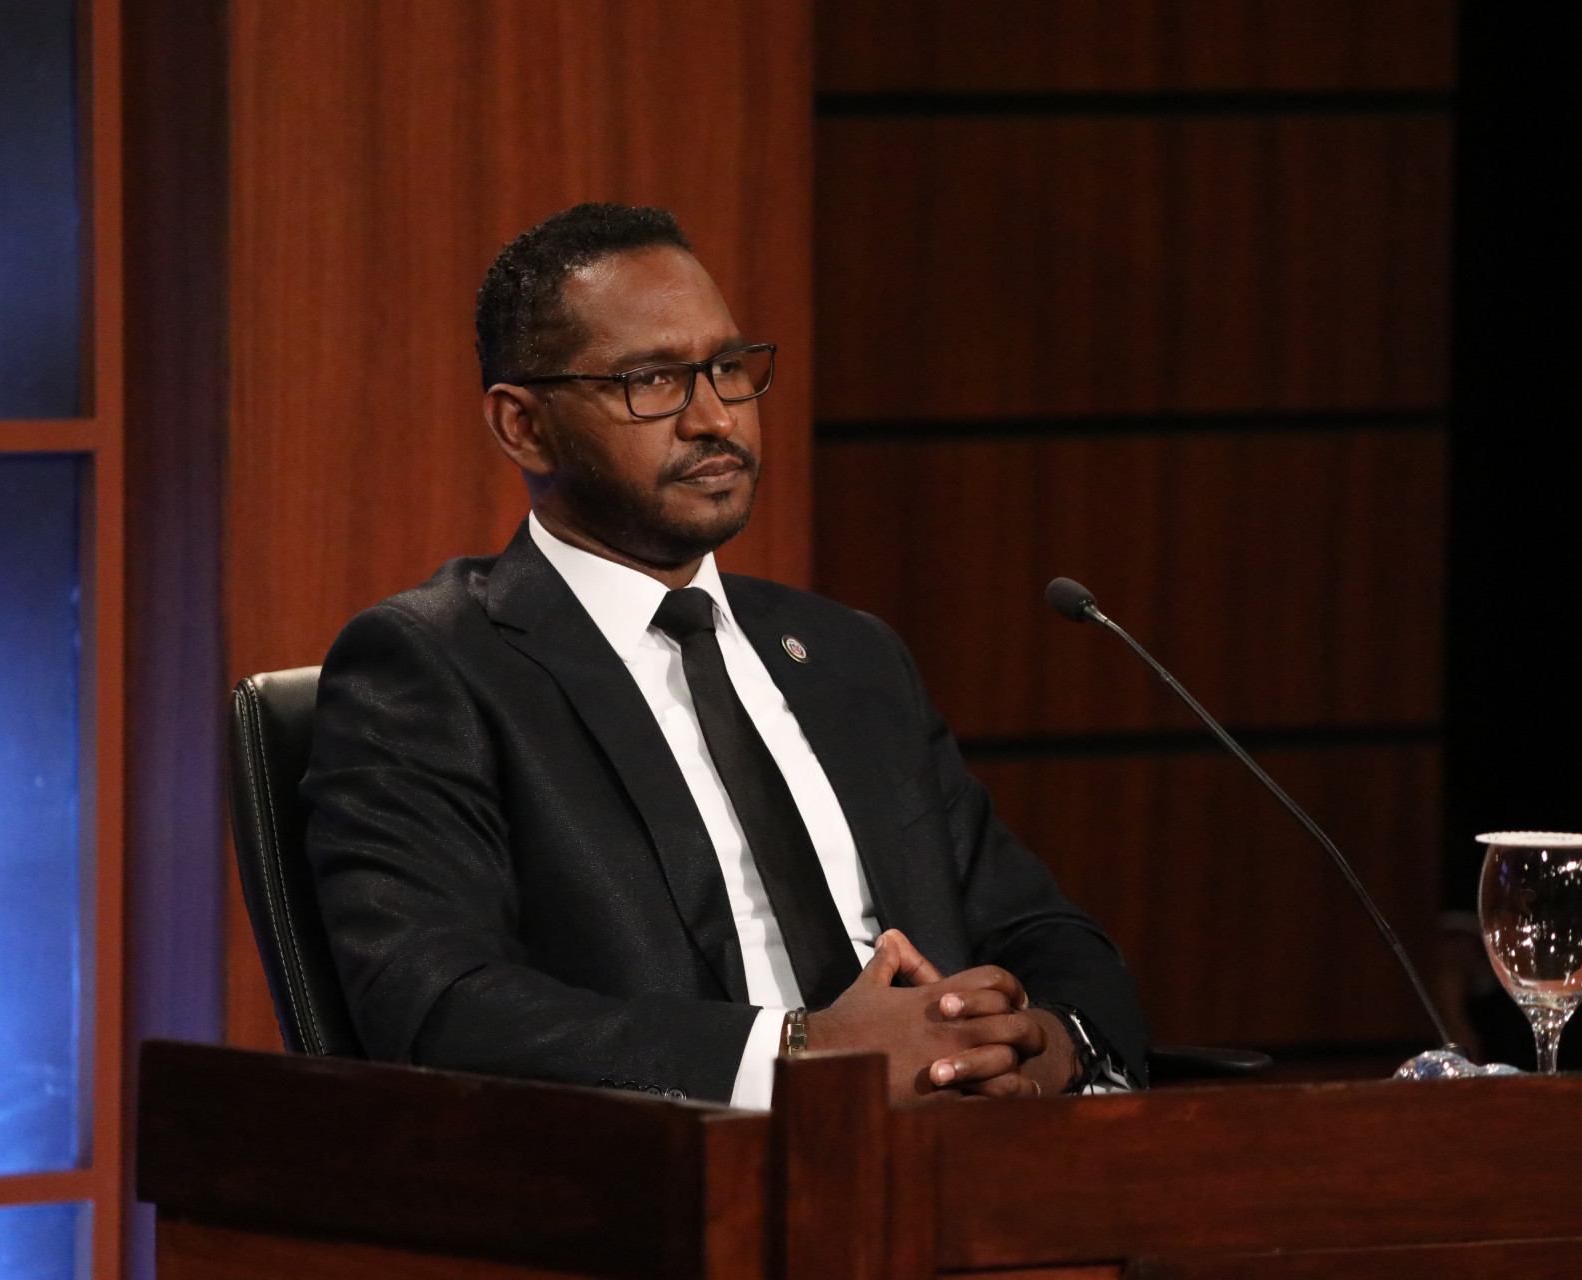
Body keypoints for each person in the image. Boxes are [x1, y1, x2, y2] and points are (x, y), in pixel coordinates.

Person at [303, 202, 1148, 1107]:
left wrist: (1047, 1047)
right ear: (523, 426)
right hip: (680, 1170)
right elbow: (436, 1003)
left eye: (729, 368)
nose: (715, 418)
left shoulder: (850, 657)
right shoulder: (431, 666)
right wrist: (802, 1057)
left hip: (957, 1151)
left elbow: (1044, 933)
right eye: (652, 381)